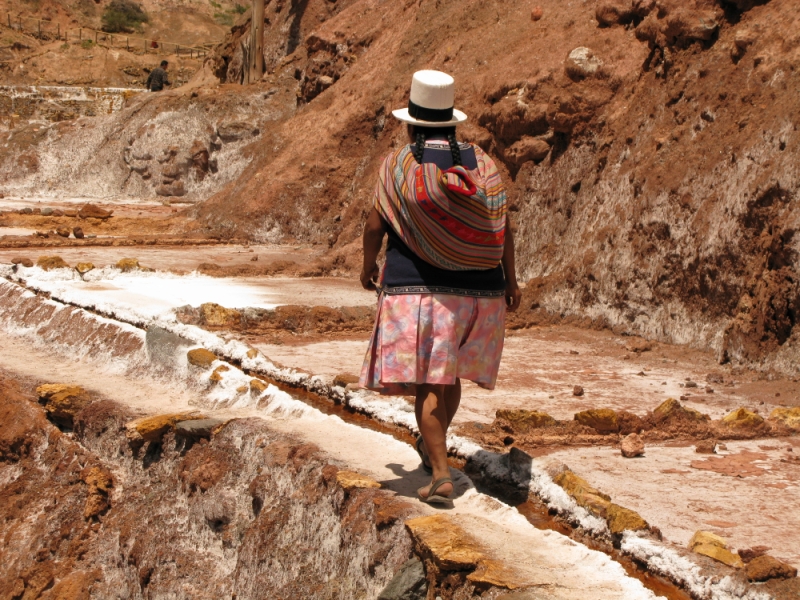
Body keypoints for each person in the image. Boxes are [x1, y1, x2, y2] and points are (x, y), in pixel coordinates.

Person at [359, 70, 521, 507]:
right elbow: (503, 226)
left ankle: (442, 474)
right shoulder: (482, 163)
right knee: (447, 379)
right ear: (452, 119)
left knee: (429, 386)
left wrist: (366, 264)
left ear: (412, 122)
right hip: (481, 295)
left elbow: (375, 225)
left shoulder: (399, 164)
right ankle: (433, 457)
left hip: (421, 292)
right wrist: (511, 279)